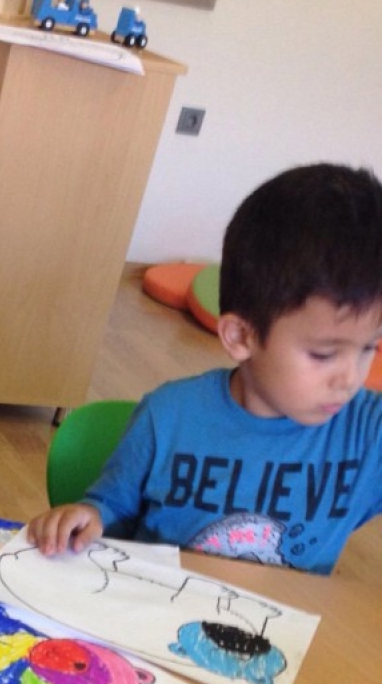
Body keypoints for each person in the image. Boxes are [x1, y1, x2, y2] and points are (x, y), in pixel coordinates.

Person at [29, 163, 382, 573]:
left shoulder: (367, 431)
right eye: (323, 354)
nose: (349, 378)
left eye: (369, 348)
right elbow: (111, 508)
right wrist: (88, 516)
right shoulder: (167, 418)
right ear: (241, 336)